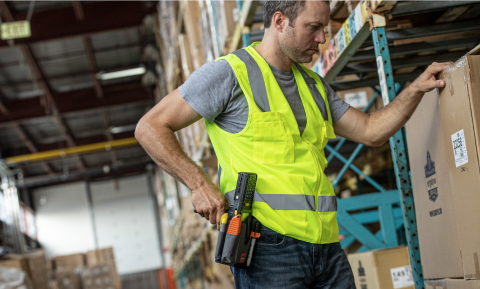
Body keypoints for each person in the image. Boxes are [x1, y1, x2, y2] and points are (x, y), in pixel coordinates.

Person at [135, 0, 452, 287]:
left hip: (327, 246)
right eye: (313, 28)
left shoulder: (314, 86)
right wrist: (199, 184)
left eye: (324, 29)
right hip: (268, 249)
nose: (322, 39)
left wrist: (415, 89)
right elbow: (150, 127)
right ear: (279, 21)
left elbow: (370, 130)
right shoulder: (230, 74)